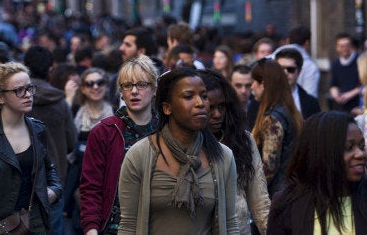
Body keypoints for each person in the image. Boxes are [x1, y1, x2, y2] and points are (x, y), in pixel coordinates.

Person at [118, 67, 239, 234]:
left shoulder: (223, 157)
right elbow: (128, 226)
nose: (200, 103)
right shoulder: (139, 155)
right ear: (167, 108)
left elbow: (230, 223)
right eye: (188, 96)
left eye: (204, 96)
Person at [0, 62, 62, 234]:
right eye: (19, 90)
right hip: (1, 225)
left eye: (29, 88)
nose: (27, 95)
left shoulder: (37, 129)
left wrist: (52, 192)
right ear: (0, 97)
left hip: (36, 223)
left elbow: (50, 170)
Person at [268, 111, 367, 234]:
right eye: (348, 147)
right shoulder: (286, 204)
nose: (360, 154)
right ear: (322, 152)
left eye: (361, 146)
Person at [80, 55, 159, 235]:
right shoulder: (104, 131)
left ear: (154, 89)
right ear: (120, 91)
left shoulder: (167, 131)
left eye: (141, 84)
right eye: (127, 85)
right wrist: (91, 229)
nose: (134, 91)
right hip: (115, 227)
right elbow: (91, 186)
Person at [198, 69, 270, 234]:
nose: (217, 114)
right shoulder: (185, 143)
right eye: (210, 107)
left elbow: (260, 201)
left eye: (222, 106)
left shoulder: (243, 140)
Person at [23, 46, 77, 235]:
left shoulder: (16, 99)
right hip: (52, 182)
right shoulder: (60, 102)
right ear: (50, 68)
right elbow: (71, 142)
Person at [65, 67, 113, 234]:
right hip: (76, 184)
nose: (95, 87)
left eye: (100, 82)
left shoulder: (116, 114)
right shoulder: (76, 113)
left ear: (106, 86)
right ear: (83, 89)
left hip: (108, 181)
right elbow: (67, 146)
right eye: (89, 83)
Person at [250, 58, 302, 197]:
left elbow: (269, 168)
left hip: (278, 195)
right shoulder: (288, 111)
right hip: (291, 190)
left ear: (264, 84)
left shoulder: (273, 118)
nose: (252, 86)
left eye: (255, 81)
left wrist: (251, 194)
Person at [271, 25, 320, 98]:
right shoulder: (310, 67)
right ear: (307, 43)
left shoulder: (269, 59)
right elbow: (310, 96)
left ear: (287, 41)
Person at [275, 48, 321, 120]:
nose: (285, 73)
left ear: (299, 71)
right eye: (281, 68)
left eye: (290, 69)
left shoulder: (311, 103)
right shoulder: (262, 99)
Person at [329, 33, 361, 113]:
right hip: (341, 106)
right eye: (341, 46)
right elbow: (333, 85)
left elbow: (365, 84)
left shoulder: (360, 61)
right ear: (337, 47)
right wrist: (335, 95)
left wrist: (349, 94)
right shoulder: (335, 64)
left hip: (357, 105)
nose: (345, 48)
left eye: (347, 45)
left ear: (351, 46)